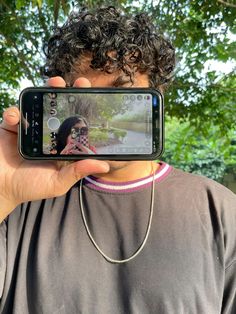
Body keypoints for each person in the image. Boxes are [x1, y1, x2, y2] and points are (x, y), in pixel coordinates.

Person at [0, 6, 235, 314]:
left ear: (158, 93)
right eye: (88, 101)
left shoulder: (220, 210)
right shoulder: (18, 206)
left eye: (121, 94)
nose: (100, 115)